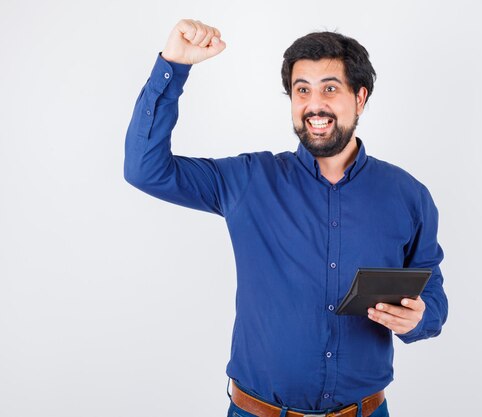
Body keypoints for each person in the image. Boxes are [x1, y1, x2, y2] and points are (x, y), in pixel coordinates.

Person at [124, 19, 448, 417]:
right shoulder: (247, 180)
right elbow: (144, 169)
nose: (315, 104)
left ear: (360, 98)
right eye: (302, 90)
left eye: (330, 88)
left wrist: (419, 318)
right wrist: (173, 65)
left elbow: (432, 294)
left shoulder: (408, 195)